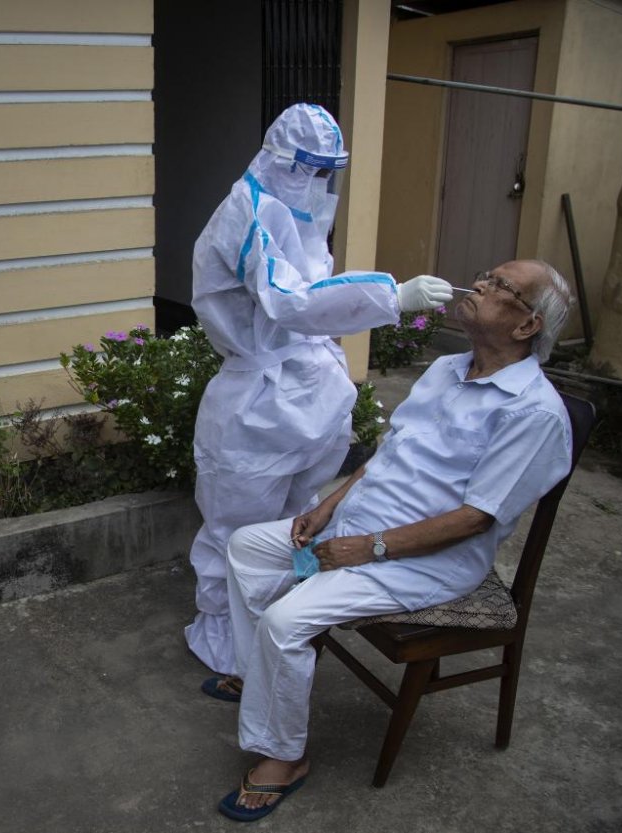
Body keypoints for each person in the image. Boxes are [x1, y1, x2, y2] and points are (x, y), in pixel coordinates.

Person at [215, 259, 574, 822]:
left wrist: (369, 548)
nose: (480, 284)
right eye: (486, 275)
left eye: (502, 286)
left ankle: (284, 758)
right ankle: (258, 677)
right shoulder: (447, 369)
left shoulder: (533, 412)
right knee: (246, 547)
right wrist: (326, 507)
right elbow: (390, 455)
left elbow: (476, 519)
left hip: (424, 562)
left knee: (285, 622)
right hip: (359, 526)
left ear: (528, 325)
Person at [186, 103, 453, 686]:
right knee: (236, 533)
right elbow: (291, 302)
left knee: (296, 524)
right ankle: (228, 648)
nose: (318, 183)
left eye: (326, 170)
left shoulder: (291, 210)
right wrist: (392, 296)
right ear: (281, 159)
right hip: (257, 403)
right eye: (309, 168)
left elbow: (308, 291)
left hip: (303, 396)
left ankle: (278, 628)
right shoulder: (250, 213)